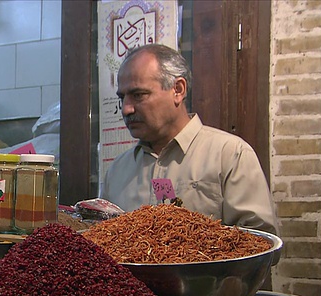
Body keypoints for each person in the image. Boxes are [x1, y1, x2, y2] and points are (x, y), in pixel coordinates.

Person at [101, 44, 279, 234]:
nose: (126, 109)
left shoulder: (230, 155)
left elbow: (261, 244)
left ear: (178, 89)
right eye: (122, 98)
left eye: (138, 95)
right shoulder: (117, 171)